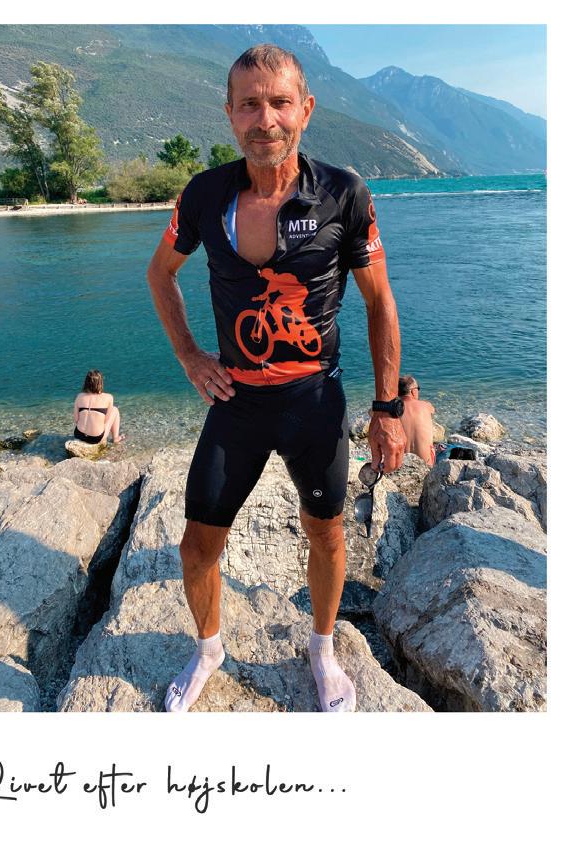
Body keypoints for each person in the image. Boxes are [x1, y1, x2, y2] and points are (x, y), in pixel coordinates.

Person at [146, 44, 406, 713]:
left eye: (280, 103)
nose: (265, 119)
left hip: (313, 401)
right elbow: (161, 274)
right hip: (236, 401)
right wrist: (190, 356)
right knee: (197, 544)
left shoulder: (343, 193)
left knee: (326, 532)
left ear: (305, 110)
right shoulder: (205, 194)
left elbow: (380, 302)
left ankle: (322, 650)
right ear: (230, 114)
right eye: (250, 104)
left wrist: (387, 409)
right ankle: (208, 649)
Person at [73, 369, 125, 445]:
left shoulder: (79, 396)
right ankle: (115, 438)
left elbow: (76, 419)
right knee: (115, 410)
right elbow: (106, 421)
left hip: (79, 434)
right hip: (95, 438)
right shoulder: (108, 397)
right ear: (100, 383)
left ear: (86, 383)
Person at [398, 375, 436, 466]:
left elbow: (371, 412)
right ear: (413, 391)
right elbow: (433, 411)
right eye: (418, 388)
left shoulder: (390, 408)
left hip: (399, 464)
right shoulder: (426, 405)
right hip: (426, 464)